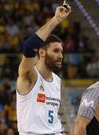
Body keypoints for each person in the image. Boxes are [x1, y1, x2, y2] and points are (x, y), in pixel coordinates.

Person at [16, 3, 71, 135]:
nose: (61, 56)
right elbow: (29, 47)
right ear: (41, 53)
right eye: (56, 51)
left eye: (62, 52)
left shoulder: (57, 81)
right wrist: (56, 19)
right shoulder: (29, 75)